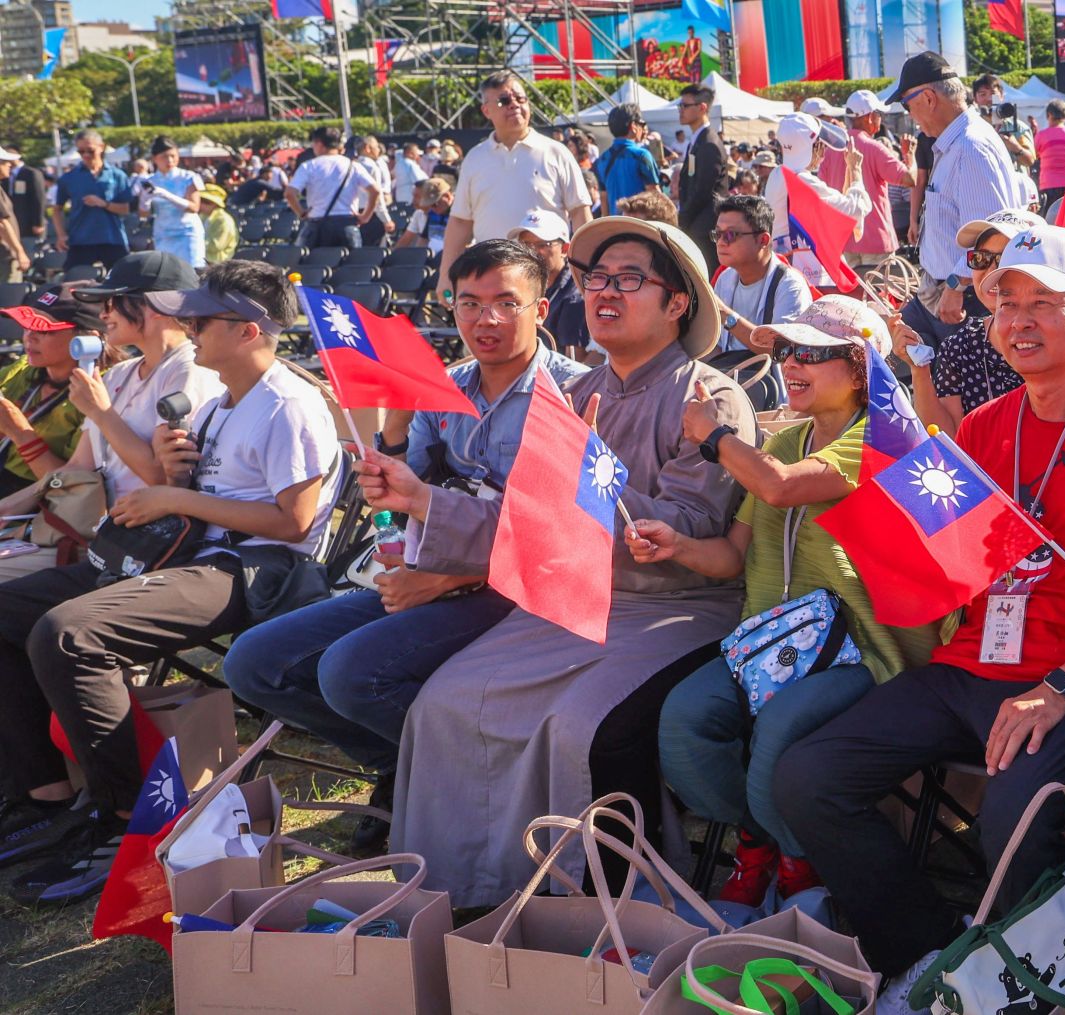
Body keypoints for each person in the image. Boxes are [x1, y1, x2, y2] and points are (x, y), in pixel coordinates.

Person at [776, 225, 1065, 1006]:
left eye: (1044, 301)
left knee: (1016, 807)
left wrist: (1060, 689)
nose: (1021, 319)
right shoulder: (984, 426)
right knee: (808, 773)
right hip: (970, 665)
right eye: (1006, 301)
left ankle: (1021, 986)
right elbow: (954, 565)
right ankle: (932, 957)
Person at [362, 217, 756, 907]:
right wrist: (422, 497)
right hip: (576, 596)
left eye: (630, 278)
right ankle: (470, 896)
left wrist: (598, 484)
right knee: (446, 702)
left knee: (578, 725)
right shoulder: (569, 397)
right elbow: (525, 523)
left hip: (676, 605)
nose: (605, 291)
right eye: (596, 278)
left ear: (677, 303)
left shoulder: (708, 397)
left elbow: (691, 526)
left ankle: (612, 902)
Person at [223, 240, 585, 854]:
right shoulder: (439, 387)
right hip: (428, 574)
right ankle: (403, 765)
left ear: (541, 309)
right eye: (469, 303)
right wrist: (387, 466)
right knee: (253, 664)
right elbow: (398, 505)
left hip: (516, 593)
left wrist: (442, 579)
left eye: (505, 303)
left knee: (349, 673)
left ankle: (461, 781)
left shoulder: (572, 393)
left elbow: (553, 531)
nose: (485, 320)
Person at [0, 259, 340, 904]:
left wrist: (172, 499)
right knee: (9, 608)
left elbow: (293, 524)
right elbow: (198, 490)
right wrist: (175, 477)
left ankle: (133, 820)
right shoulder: (224, 399)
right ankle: (45, 793)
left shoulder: (288, 403)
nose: (189, 326)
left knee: (70, 636)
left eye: (203, 318)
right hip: (194, 554)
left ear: (245, 329)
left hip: (255, 569)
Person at [650, 296, 941, 905]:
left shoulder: (884, 441)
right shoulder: (784, 444)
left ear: (861, 368)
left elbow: (779, 490)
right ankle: (771, 837)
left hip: (862, 652)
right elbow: (733, 556)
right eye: (784, 350)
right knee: (683, 724)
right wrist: (674, 545)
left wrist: (715, 435)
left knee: (777, 734)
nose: (790, 362)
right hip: (771, 647)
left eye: (811, 351)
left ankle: (799, 857)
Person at [0, 254, 222, 581]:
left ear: (155, 306)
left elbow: (164, 482)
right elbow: (78, 468)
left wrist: (101, 413)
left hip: (139, 547)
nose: (104, 314)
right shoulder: (120, 373)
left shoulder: (189, 372)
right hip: (94, 532)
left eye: (113, 302)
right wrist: (10, 508)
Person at [886, 51, 1023, 339]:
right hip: (946, 293)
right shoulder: (959, 142)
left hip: (963, 298)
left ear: (928, 98)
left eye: (906, 104)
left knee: (942, 380)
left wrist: (955, 285)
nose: (909, 116)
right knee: (893, 351)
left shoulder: (969, 148)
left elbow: (992, 236)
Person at [438, 72, 593, 301]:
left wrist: (586, 269)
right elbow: (461, 221)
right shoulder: (475, 158)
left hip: (548, 281)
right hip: (491, 278)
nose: (515, 105)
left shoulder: (556, 152)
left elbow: (580, 211)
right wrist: (445, 276)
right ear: (486, 110)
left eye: (520, 99)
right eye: (504, 101)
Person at [893, 208, 1044, 434]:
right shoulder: (959, 348)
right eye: (980, 259)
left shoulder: (1061, 335)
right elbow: (947, 439)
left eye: (1005, 258)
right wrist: (919, 369)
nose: (991, 270)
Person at [0, 287, 105, 499]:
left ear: (87, 340)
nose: (29, 337)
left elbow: (69, 490)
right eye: (27, 326)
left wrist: (19, 432)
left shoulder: (100, 394)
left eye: (44, 330)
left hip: (37, 502)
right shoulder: (23, 367)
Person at [765, 113, 869, 292]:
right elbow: (855, 209)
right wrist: (855, 170)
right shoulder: (802, 179)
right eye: (820, 145)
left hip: (781, 264)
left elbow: (838, 205)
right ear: (811, 147)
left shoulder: (777, 174)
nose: (823, 152)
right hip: (804, 272)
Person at [817, 90, 917, 268]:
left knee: (849, 296)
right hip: (876, 241)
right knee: (881, 294)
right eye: (879, 114)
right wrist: (910, 156)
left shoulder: (831, 150)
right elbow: (910, 179)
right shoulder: (874, 148)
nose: (881, 119)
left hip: (842, 242)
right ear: (869, 117)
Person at [711, 195, 813, 355]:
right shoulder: (725, 279)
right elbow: (716, 347)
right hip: (731, 375)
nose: (721, 242)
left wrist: (726, 316)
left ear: (763, 240)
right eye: (717, 234)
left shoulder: (790, 284)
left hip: (769, 378)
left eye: (730, 235)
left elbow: (782, 351)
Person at [507, 209, 588, 357]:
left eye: (542, 245)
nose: (531, 252)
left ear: (565, 249)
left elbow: (574, 363)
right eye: (525, 245)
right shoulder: (523, 288)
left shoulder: (574, 298)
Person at [51, 130, 135, 270]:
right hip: (81, 239)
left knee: (123, 282)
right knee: (72, 283)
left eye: (90, 150)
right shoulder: (69, 178)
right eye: (81, 151)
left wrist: (103, 204)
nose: (85, 155)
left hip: (112, 238)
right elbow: (56, 209)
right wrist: (61, 235)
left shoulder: (117, 175)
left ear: (101, 147)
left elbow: (125, 209)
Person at [286, 126, 378, 249]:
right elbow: (375, 191)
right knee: (350, 266)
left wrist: (301, 213)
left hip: (317, 225)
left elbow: (289, 193)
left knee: (311, 266)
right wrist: (365, 216)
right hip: (347, 225)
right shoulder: (353, 165)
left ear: (319, 144)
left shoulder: (309, 166)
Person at [677, 83, 731, 273]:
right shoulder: (699, 139)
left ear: (702, 108)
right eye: (680, 106)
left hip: (705, 228)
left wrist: (682, 218)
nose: (681, 110)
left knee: (707, 281)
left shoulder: (709, 143)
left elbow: (703, 190)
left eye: (685, 106)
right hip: (698, 224)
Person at [137, 137, 205, 269]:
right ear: (155, 158)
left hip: (187, 233)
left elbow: (194, 207)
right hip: (163, 233)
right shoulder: (149, 180)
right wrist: (145, 200)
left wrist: (166, 195)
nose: (170, 160)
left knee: (192, 272)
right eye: (164, 157)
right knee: (167, 274)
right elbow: (143, 213)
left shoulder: (189, 177)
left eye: (173, 156)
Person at [594, 102, 664, 213]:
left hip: (615, 225)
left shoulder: (601, 160)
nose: (643, 128)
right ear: (633, 126)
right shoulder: (641, 155)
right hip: (640, 224)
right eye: (642, 123)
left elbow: (604, 200)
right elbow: (655, 195)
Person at [1035, 99, 1065, 210]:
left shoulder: (1041, 135)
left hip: (1048, 183)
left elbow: (1035, 155)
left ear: (1049, 114)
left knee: (1051, 218)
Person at [353, 136, 394, 248]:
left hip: (355, 214)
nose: (379, 150)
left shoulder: (351, 165)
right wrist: (386, 220)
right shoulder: (372, 167)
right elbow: (377, 197)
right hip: (372, 215)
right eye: (376, 146)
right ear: (368, 148)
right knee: (374, 253)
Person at [398, 177, 451, 254]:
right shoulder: (432, 213)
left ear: (447, 196)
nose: (432, 208)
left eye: (434, 204)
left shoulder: (459, 214)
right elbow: (423, 240)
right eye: (429, 204)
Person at [8, 151, 48, 244]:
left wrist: (38, 222)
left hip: (29, 223)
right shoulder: (6, 175)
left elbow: (39, 198)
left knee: (31, 251)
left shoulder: (31, 173)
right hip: (14, 222)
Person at [198, 184, 237, 265]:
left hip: (216, 264)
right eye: (200, 200)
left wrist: (193, 242)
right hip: (200, 258)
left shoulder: (223, 220)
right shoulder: (202, 216)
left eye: (206, 202)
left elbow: (215, 246)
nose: (201, 204)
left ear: (215, 204)